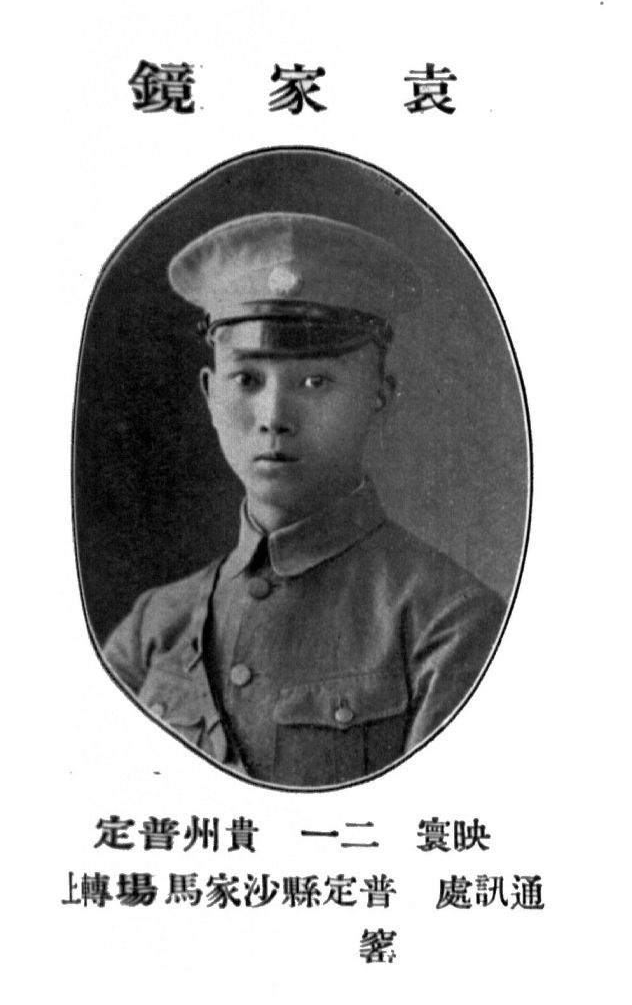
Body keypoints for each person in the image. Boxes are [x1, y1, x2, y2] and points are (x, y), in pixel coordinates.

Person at [104, 211, 506, 788]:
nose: (274, 417)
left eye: (315, 381)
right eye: (247, 380)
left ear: (380, 394)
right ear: (210, 394)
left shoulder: (450, 624)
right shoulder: (152, 627)